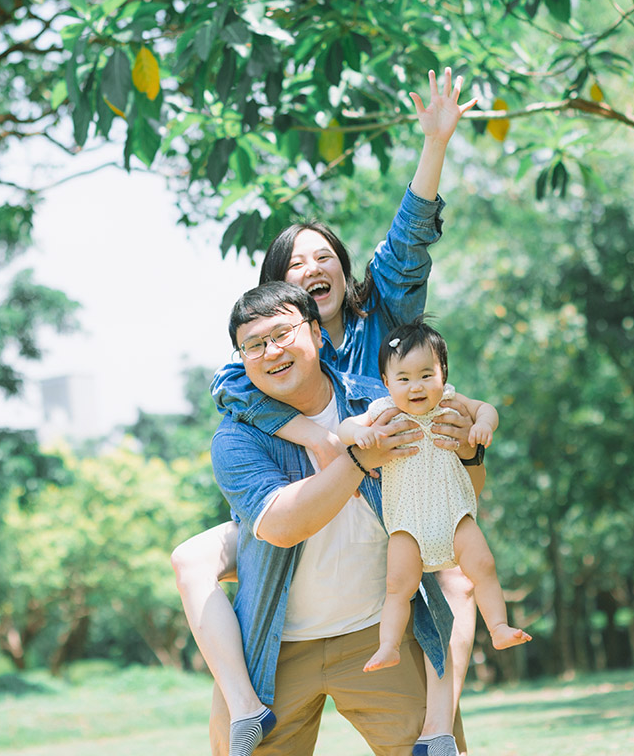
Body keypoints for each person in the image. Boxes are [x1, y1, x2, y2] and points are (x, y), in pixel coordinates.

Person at [170, 68, 480, 756]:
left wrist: (434, 145)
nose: (312, 266)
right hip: (299, 511)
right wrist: (317, 431)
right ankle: (248, 702)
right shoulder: (265, 358)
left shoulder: (383, 327)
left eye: (323, 257)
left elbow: (407, 245)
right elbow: (231, 385)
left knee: (454, 575)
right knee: (199, 555)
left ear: (341, 272)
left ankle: (433, 731)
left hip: (385, 499)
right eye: (294, 263)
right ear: (280, 295)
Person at [209, 282, 483, 755]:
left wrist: (471, 454)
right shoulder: (236, 440)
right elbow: (282, 524)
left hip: (380, 635)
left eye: (282, 333)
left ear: (317, 334)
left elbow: (459, 500)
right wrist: (358, 460)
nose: (270, 351)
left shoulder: (387, 400)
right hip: (277, 648)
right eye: (253, 345)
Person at [338, 317, 531, 676]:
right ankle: (388, 646)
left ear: (443, 375)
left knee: (484, 567)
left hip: (455, 515)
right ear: (385, 383)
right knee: (397, 587)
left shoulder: (451, 401)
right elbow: (343, 428)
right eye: (404, 378)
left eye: (427, 375)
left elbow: (487, 408)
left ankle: (499, 628)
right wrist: (359, 435)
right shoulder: (383, 412)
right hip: (408, 525)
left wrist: (483, 425)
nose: (416, 386)